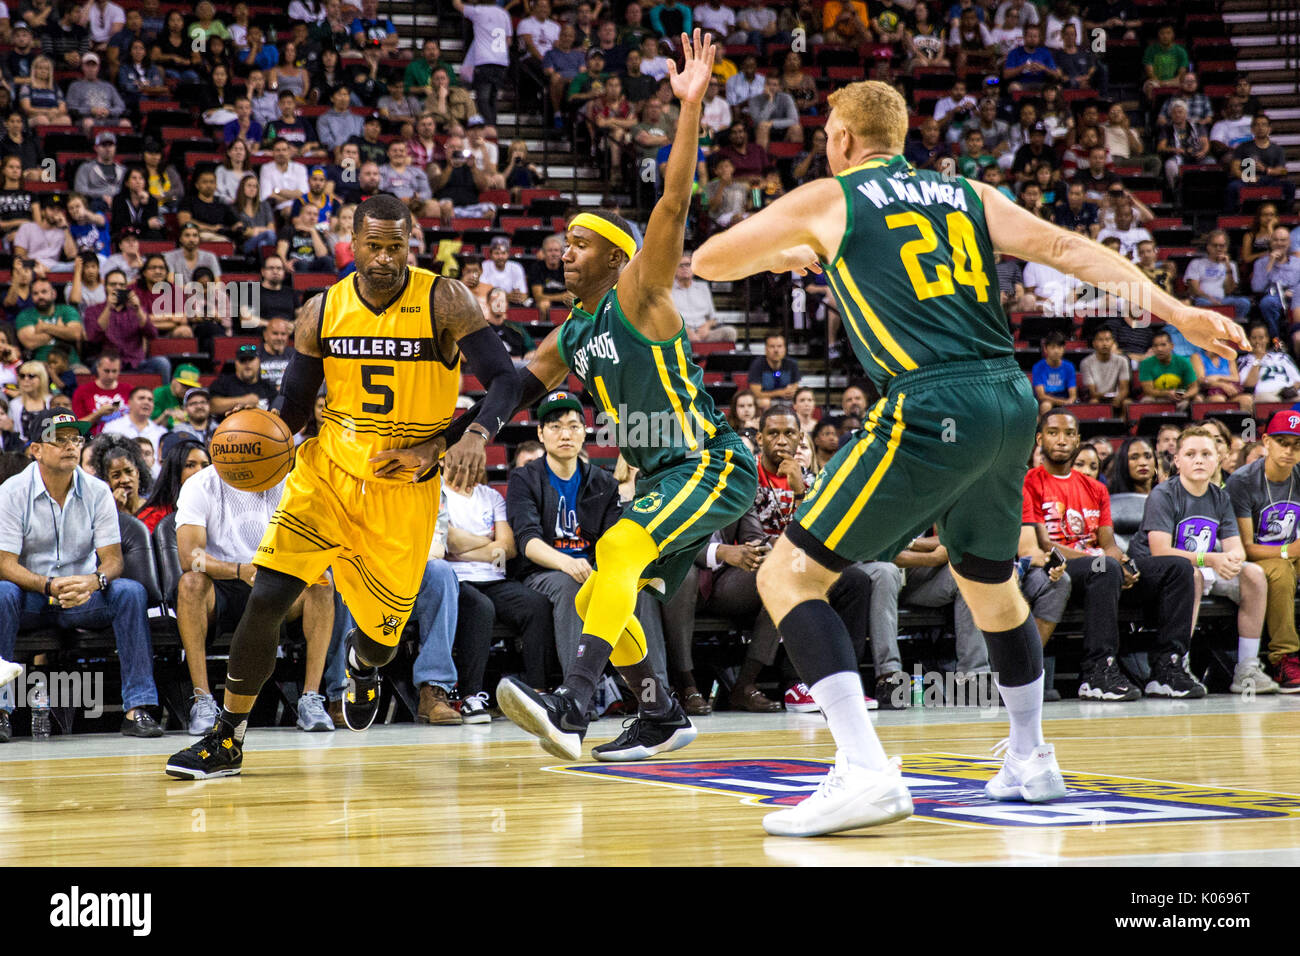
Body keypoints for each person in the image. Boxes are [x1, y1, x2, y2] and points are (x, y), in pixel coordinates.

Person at [690, 79, 1244, 836]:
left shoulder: (834, 196)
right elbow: (1063, 248)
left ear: (845, 139)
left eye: (827, 133)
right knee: (987, 580)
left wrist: (788, 251)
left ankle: (860, 769)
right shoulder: (964, 193)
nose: (826, 143)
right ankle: (1030, 756)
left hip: (929, 401)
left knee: (790, 574)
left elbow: (712, 259)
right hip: (1011, 400)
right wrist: (1178, 313)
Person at [165, 194, 519, 778]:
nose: (384, 259)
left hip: (405, 490)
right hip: (326, 476)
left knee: (381, 639)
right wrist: (265, 436)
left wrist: (469, 434)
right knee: (269, 593)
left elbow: (506, 380)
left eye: (396, 246)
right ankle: (227, 738)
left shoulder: (445, 299)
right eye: (373, 246)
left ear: (412, 244)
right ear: (352, 242)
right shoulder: (321, 311)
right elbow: (297, 408)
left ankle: (363, 665)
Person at [478, 33, 757, 764]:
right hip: (666, 477)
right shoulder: (572, 332)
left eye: (577, 242)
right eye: (561, 243)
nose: (562, 251)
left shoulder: (639, 291)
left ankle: (572, 705)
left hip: (710, 462)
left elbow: (671, 201)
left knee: (617, 547)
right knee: (615, 576)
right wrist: (458, 435)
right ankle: (660, 712)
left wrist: (689, 107)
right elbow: (513, 386)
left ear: (612, 255)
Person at [0, 409, 163, 741]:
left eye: (75, 438)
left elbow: (113, 561)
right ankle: (1, 710)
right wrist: (48, 585)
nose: (71, 446)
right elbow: (5, 563)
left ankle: (137, 708)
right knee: (2, 593)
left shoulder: (97, 491)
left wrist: (93, 582)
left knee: (130, 592)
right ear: (36, 449)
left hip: (83, 596)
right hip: (32, 595)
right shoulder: (12, 491)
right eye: (58, 440)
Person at [1129, 426, 1276, 695]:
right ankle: (1177, 664)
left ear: (1218, 459)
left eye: (1206, 454)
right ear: (1177, 460)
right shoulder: (1163, 494)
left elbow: (1236, 549)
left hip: (1200, 565)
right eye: (1191, 454)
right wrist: (1210, 559)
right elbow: (1160, 550)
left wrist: (1231, 561)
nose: (1199, 460)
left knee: (1253, 574)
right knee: (1190, 575)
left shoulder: (1220, 496)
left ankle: (1247, 668)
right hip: (1159, 574)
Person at [1226, 410, 1300, 693]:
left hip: (1291, 551)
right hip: (1255, 559)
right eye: (1283, 442)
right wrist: (1286, 551)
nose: (1290, 450)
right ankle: (1284, 657)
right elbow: (1244, 548)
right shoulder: (1243, 482)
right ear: (1266, 442)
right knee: (1280, 572)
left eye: (1297, 445)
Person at [136, 436, 209, 532]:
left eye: (205, 466)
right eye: (190, 465)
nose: (200, 471)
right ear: (174, 471)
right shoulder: (152, 517)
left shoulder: (219, 510)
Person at [1030, 330, 1076, 414]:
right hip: (1047, 401)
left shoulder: (1069, 367)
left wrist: (1069, 402)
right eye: (1053, 347)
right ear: (1046, 349)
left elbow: (1073, 395)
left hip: (1065, 401)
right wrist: (1063, 402)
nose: (1056, 351)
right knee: (1046, 405)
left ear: (1064, 348)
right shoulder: (1038, 367)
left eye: (1059, 347)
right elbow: (1041, 396)